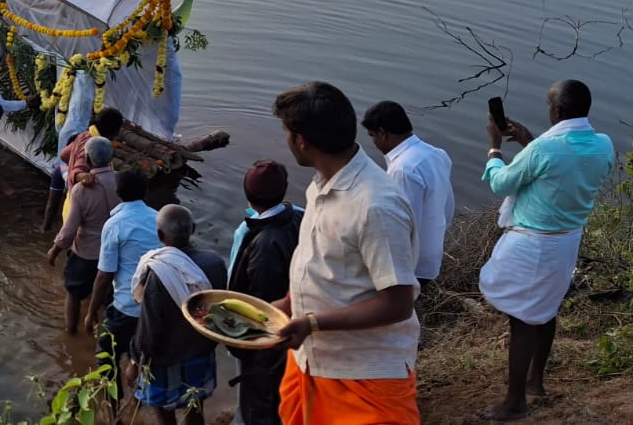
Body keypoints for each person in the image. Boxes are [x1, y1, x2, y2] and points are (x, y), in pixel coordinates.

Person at [268, 81, 422, 425]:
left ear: (301, 141)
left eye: (286, 132)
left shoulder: (376, 205)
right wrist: (290, 303)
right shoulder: (322, 183)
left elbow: (397, 304)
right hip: (312, 360)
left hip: (363, 371)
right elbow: (324, 263)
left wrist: (312, 323)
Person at [478, 80, 614, 421]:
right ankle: (535, 382)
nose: (548, 109)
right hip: (566, 241)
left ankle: (515, 402)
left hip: (533, 245)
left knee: (522, 319)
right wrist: (529, 141)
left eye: (549, 105)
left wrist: (494, 148)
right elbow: (564, 167)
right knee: (546, 309)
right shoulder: (603, 144)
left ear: (558, 110)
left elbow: (500, 183)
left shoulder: (543, 149)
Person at [130, 205, 227, 425]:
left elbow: (149, 330)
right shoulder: (214, 263)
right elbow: (219, 311)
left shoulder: (158, 272)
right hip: (201, 354)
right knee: (195, 408)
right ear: (193, 228)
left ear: (160, 235)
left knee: (165, 413)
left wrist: (135, 362)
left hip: (165, 360)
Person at [225, 160, 301, 425]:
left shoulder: (265, 244)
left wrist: (256, 352)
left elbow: (261, 306)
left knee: (259, 403)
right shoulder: (298, 216)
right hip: (294, 325)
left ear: (248, 195)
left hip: (266, 339)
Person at [362, 101, 455, 288]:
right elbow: (448, 205)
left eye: (373, 136)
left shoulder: (403, 170)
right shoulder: (437, 154)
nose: (374, 142)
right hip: (431, 255)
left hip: (410, 266)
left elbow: (400, 226)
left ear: (382, 133)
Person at [85, 168, 161, 393]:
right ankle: (139, 398)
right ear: (146, 191)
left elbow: (104, 275)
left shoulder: (114, 224)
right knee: (142, 357)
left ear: (117, 192)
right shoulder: (159, 218)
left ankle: (114, 407)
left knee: (105, 356)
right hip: (156, 306)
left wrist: (91, 312)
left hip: (127, 308)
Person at [47, 136, 119, 334]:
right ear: (111, 157)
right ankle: (103, 336)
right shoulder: (121, 181)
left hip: (86, 252)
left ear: (87, 160)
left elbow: (69, 229)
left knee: (74, 293)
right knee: (108, 297)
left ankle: (71, 334)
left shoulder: (81, 189)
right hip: (114, 251)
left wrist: (54, 250)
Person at [41, 108, 125, 231]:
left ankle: (45, 230)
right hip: (81, 208)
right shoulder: (91, 143)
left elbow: (64, 154)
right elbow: (78, 170)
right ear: (115, 131)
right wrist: (83, 176)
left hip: (73, 201)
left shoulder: (83, 135)